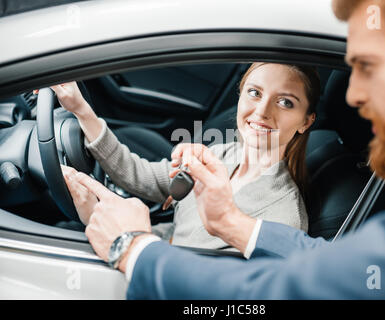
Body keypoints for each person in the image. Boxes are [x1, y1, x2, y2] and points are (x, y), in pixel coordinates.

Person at [73, 0, 385, 298]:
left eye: (368, 66)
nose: (353, 95)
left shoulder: (286, 209)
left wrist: (133, 246)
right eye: (254, 93)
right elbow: (334, 268)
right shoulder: (221, 154)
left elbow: (271, 292)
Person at [53, 62, 319, 251]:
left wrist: (115, 229)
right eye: (255, 92)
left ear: (305, 122)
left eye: (285, 102)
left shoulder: (283, 220)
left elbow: (195, 281)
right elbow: (140, 175)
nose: (261, 111)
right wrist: (81, 110)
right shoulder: (219, 154)